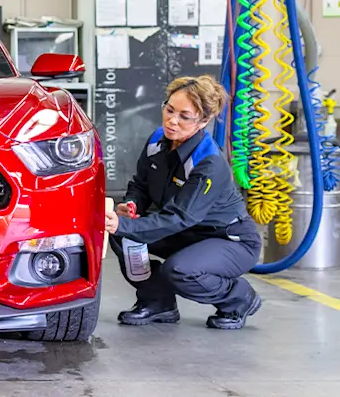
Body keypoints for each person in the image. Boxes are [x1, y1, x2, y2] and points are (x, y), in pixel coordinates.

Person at [104, 75, 264, 330]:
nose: (172, 120)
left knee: (178, 270)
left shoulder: (208, 163)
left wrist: (123, 225)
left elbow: (180, 217)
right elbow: (141, 184)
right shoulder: (158, 140)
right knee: (124, 237)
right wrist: (132, 205)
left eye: (184, 116)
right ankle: (158, 302)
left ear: (204, 120)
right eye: (169, 110)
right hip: (184, 233)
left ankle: (238, 298)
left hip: (228, 240)